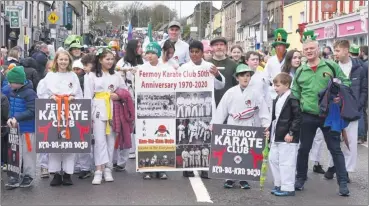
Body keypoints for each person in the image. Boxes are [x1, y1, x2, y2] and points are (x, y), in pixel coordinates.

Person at [292, 30, 351, 196]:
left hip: (328, 116)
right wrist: (296, 111)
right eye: (306, 49)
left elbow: (345, 82)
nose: (309, 51)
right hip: (307, 115)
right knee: (304, 149)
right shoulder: (300, 71)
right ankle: (300, 178)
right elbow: (295, 92)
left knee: (335, 149)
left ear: (318, 49)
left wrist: (339, 94)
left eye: (312, 48)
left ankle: (343, 183)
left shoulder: (331, 65)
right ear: (303, 51)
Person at [212, 64, 270, 189]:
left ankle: (244, 178)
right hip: (233, 123)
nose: (245, 78)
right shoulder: (230, 92)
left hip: (249, 123)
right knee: (231, 150)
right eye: (242, 75)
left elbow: (263, 110)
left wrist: (266, 125)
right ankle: (230, 178)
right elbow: (222, 110)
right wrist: (215, 125)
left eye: (248, 75)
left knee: (247, 151)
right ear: (237, 78)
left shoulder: (256, 93)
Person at [179, 40, 226, 178]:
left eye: (197, 51)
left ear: (201, 52)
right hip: (190, 106)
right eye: (191, 52)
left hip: (206, 107)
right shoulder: (184, 68)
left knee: (206, 135)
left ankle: (205, 167)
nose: (194, 54)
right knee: (190, 136)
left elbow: (220, 86)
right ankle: (187, 167)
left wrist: (217, 74)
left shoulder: (210, 66)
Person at [38, 50, 83, 186]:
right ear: (56, 60)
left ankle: (68, 173)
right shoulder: (50, 76)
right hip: (54, 112)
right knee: (55, 143)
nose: (63, 62)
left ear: (69, 61)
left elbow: (79, 93)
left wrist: (73, 97)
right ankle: (56, 173)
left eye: (66, 59)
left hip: (70, 112)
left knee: (69, 143)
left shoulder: (73, 76)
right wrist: (50, 97)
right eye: (61, 59)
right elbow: (41, 92)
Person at [324, 40, 367, 181]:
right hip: (335, 109)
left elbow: (364, 89)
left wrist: (359, 105)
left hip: (352, 109)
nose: (335, 54)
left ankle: (346, 170)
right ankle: (332, 165)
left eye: (337, 51)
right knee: (334, 139)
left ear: (346, 51)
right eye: (334, 51)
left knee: (351, 141)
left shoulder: (359, 68)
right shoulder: (331, 67)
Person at [84, 48, 126, 185]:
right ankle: (98, 169)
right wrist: (87, 115)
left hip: (113, 109)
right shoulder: (91, 75)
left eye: (111, 59)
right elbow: (88, 96)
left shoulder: (117, 75)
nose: (110, 61)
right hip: (98, 108)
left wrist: (118, 95)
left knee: (111, 139)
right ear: (100, 60)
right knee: (99, 140)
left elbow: (125, 91)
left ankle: (108, 168)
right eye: (107, 59)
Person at [267, 73, 301, 197]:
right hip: (277, 134)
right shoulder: (278, 98)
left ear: (286, 85)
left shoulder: (292, 98)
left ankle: (288, 187)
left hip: (287, 136)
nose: (275, 88)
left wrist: (291, 132)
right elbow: (275, 117)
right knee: (273, 159)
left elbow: (297, 117)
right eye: (274, 85)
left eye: (277, 85)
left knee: (287, 162)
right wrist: (270, 130)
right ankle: (279, 183)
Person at [5, 66, 38, 189]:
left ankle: (28, 175)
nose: (9, 84)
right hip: (15, 127)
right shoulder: (12, 91)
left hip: (28, 128)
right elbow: (10, 107)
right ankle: (15, 174)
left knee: (28, 152)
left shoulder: (30, 93)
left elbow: (33, 111)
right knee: (15, 152)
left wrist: (17, 118)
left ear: (18, 81)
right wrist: (9, 117)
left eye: (11, 82)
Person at [209, 37, 237, 106]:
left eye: (221, 45)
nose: (219, 47)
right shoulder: (207, 64)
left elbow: (237, 85)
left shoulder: (233, 65)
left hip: (229, 102)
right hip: (211, 102)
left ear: (226, 47)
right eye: (216, 45)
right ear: (212, 47)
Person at [265, 28, 290, 100]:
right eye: (276, 45)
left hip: (288, 93)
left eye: (280, 45)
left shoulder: (290, 59)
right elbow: (266, 77)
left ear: (285, 46)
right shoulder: (271, 60)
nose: (278, 47)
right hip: (273, 93)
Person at [359, 45, 368, 143]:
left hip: (365, 91)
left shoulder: (364, 65)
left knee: (363, 113)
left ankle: (362, 135)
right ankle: (364, 135)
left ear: (362, 52)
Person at [1, 92, 9, 171]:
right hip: (2, 125)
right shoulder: (3, 97)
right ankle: (5, 163)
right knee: (4, 144)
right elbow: (5, 114)